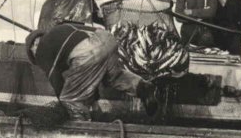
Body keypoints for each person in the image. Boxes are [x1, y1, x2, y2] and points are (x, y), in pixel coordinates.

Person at [25, 24, 157, 121]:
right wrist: (92, 95)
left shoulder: (42, 50)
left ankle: (81, 129)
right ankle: (143, 87)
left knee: (70, 99)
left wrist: (64, 101)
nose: (35, 51)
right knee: (113, 77)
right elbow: (88, 76)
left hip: (88, 50)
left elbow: (55, 79)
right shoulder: (61, 29)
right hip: (107, 38)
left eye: (33, 49)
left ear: (35, 44)